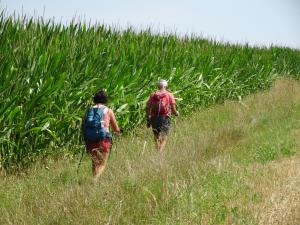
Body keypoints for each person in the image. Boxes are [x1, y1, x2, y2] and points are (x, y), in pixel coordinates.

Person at [82, 90, 120, 181]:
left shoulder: (89, 110)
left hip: (90, 139)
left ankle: (94, 183)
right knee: (102, 164)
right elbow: (115, 128)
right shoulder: (108, 110)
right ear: (105, 100)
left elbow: (83, 123)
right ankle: (94, 179)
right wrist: (119, 131)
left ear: (95, 99)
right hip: (103, 139)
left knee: (94, 163)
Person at [146, 79, 179, 151]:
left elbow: (148, 107)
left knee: (156, 136)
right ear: (166, 86)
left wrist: (148, 119)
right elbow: (173, 110)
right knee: (164, 137)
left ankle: (158, 150)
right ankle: (160, 152)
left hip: (154, 118)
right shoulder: (169, 94)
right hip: (165, 118)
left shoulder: (153, 95)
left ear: (158, 86)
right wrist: (176, 113)